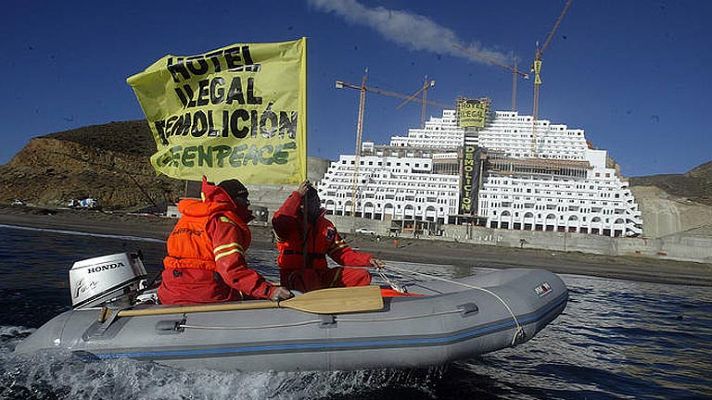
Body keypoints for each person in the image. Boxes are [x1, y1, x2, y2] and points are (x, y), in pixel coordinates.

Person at [158, 177, 292, 304]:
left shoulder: (188, 219)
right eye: (243, 198)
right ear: (231, 200)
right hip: (206, 295)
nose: (247, 202)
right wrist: (269, 291)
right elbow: (231, 270)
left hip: (171, 292)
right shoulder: (224, 223)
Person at [272, 180, 385, 293]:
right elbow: (279, 221)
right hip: (295, 276)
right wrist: (296, 195)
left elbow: (343, 254)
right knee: (308, 276)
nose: (316, 203)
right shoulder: (290, 223)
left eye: (316, 200)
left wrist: (368, 260)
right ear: (300, 204)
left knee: (361, 275)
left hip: (321, 275)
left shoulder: (327, 227)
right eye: (310, 201)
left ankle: (349, 301)